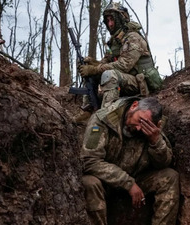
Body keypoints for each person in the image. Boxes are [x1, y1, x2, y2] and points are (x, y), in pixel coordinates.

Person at [81, 97, 180, 225]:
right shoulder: (103, 120)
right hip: (107, 182)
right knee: (89, 182)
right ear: (134, 106)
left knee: (170, 177)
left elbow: (164, 164)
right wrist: (128, 183)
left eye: (144, 125)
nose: (139, 128)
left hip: (138, 177)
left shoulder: (152, 128)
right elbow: (89, 160)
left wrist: (155, 141)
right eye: (139, 121)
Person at [74, 2, 163, 123]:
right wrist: (92, 63)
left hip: (139, 82)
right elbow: (105, 62)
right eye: (108, 20)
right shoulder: (115, 41)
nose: (110, 24)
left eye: (113, 20)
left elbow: (124, 65)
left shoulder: (133, 37)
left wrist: (95, 69)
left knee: (109, 75)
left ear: (121, 19)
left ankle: (106, 117)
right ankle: (88, 110)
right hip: (125, 79)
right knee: (93, 72)